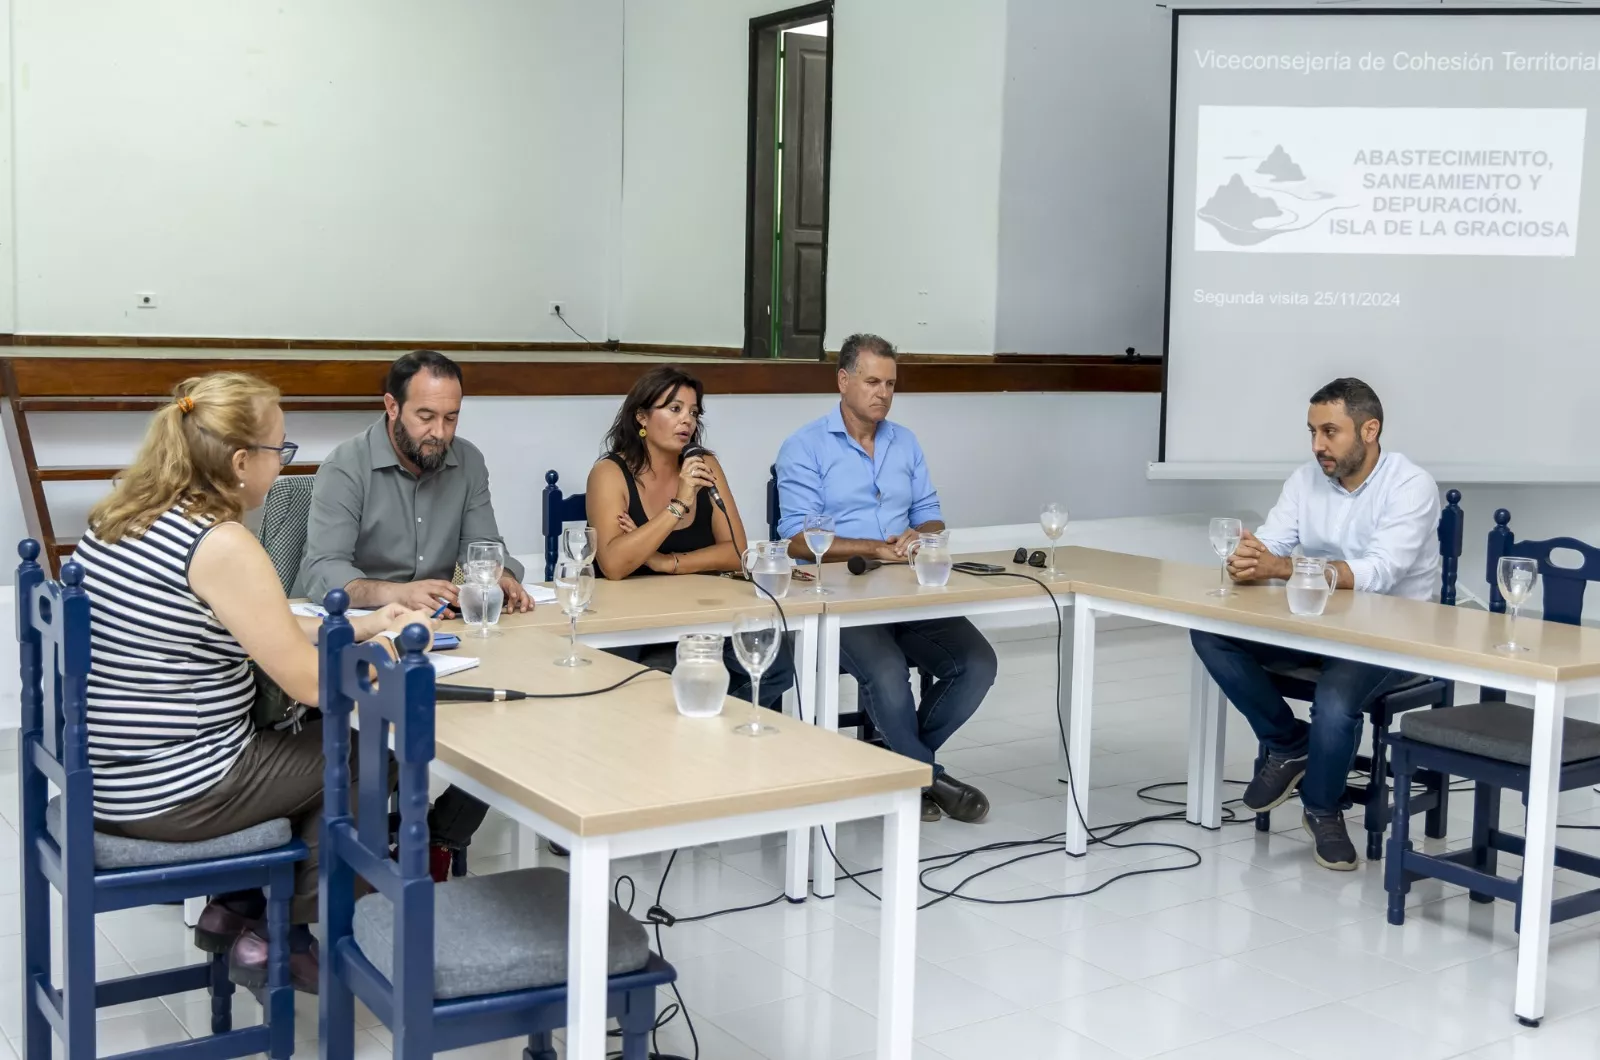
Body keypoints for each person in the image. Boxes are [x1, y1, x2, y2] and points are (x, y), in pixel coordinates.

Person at [73, 372, 434, 992]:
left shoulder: (124, 517)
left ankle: (238, 910)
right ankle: (280, 932)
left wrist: (364, 621)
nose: (284, 465)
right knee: (364, 753)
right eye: (281, 451)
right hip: (170, 790)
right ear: (241, 461)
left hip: (106, 776)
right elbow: (312, 685)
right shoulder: (221, 542)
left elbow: (249, 619)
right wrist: (382, 646)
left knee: (320, 750)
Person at [1191, 377, 1442, 872]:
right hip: (1318, 626)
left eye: (1330, 432)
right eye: (1311, 432)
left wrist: (1281, 568)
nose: (1317, 446)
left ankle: (1323, 810)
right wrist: (1251, 555)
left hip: (1396, 636)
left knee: (1335, 697)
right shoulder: (1306, 479)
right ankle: (1290, 745)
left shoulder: (1411, 485)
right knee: (1210, 632)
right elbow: (1273, 544)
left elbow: (1379, 572)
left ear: (1370, 430)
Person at [299, 350, 531, 860]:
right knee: (380, 740)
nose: (440, 433)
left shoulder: (467, 460)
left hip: (447, 637)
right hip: (369, 641)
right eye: (426, 416)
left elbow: (485, 548)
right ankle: (380, 850)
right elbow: (322, 573)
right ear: (391, 407)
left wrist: (503, 576)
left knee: (520, 708)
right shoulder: (347, 464)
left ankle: (440, 838)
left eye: (451, 418)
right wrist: (394, 593)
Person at [775, 333, 996, 824]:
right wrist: (874, 547)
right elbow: (795, 538)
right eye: (872, 381)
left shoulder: (906, 442)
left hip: (908, 590)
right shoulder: (805, 446)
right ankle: (926, 775)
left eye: (891, 384)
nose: (882, 393)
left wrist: (918, 536)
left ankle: (894, 766)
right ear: (843, 380)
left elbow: (932, 515)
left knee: (977, 663)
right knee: (888, 673)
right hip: (839, 598)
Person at [586, 365, 795, 706]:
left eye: (693, 412)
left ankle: (712, 731)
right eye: (674, 409)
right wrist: (680, 503)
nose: (687, 421)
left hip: (703, 618)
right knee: (664, 681)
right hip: (637, 628)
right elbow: (613, 564)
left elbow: (738, 552)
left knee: (777, 664)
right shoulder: (609, 473)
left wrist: (664, 562)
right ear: (641, 417)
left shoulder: (704, 465)